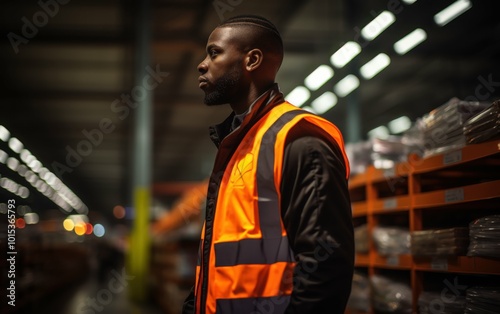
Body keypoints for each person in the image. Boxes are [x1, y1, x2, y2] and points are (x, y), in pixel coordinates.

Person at [183, 15, 354, 314]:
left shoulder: (299, 140)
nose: (202, 64)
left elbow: (326, 268)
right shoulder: (238, 145)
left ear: (252, 60)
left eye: (214, 53)